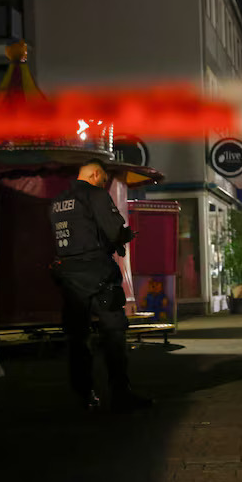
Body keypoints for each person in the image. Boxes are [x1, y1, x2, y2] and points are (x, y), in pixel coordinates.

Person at [49, 159, 151, 413]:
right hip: (97, 273)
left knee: (77, 337)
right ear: (95, 174)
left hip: (69, 275)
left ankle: (84, 395)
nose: (104, 185)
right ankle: (120, 393)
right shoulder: (95, 195)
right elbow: (115, 230)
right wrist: (126, 235)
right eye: (103, 180)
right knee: (113, 331)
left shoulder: (57, 202)